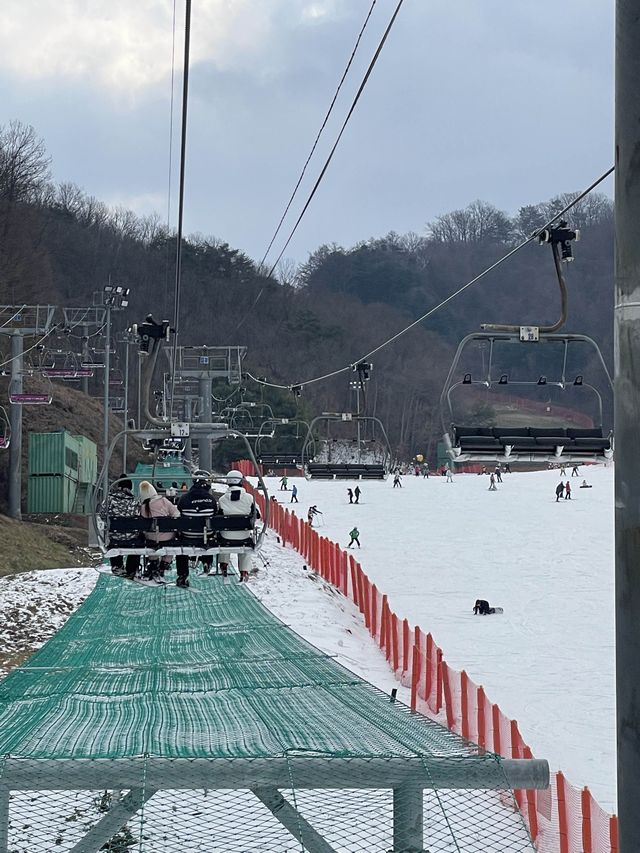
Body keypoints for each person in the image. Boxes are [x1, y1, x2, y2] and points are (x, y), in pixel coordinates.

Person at [175, 474, 218, 586]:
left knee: (181, 547)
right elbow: (215, 514)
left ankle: (182, 574)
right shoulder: (211, 499)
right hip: (206, 534)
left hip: (188, 534)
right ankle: (207, 562)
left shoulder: (184, 498)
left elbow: (178, 514)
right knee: (208, 534)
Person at [218, 470, 260, 582]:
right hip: (244, 534)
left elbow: (219, 515)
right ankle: (244, 571)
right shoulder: (249, 498)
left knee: (225, 540)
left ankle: (224, 564)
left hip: (226, 535)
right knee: (245, 546)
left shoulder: (222, 499)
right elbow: (258, 515)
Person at [139, 481, 180, 582]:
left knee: (152, 538)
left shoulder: (144, 507)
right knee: (172, 541)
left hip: (151, 538)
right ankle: (165, 563)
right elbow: (176, 514)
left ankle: (153, 562)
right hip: (167, 537)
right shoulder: (164, 501)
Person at [103, 476, 141, 579]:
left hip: (114, 536)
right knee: (137, 541)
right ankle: (132, 568)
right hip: (131, 537)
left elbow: (102, 514)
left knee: (113, 537)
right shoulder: (134, 501)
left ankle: (117, 565)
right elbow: (139, 516)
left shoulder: (109, 499)